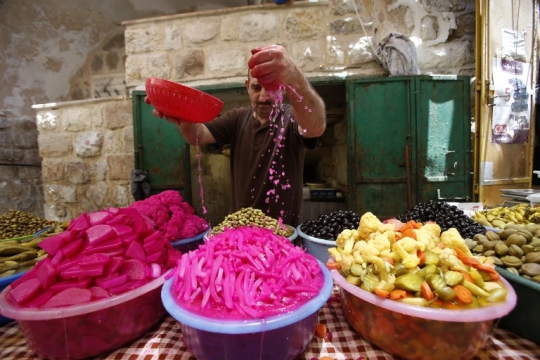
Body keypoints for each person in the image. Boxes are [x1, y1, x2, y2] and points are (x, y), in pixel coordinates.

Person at [147, 44, 326, 227]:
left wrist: (295, 78)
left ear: (282, 89)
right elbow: (197, 136)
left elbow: (316, 127)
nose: (264, 97)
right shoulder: (238, 118)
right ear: (247, 87)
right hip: (242, 232)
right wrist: (181, 115)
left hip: (284, 231)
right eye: (257, 88)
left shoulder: (292, 118)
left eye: (272, 89)